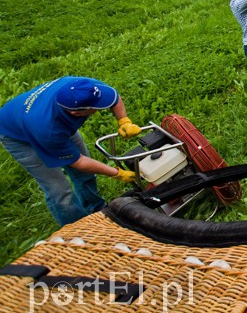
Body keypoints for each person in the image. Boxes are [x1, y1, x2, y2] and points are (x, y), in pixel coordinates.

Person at [0, 77, 141, 226]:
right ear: (76, 113)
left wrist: (124, 120)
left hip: (43, 119)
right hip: (18, 136)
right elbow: (78, 161)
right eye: (96, 107)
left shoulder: (80, 87)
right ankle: (79, 230)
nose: (102, 107)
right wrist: (117, 173)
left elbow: (113, 97)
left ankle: (96, 209)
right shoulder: (49, 130)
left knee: (86, 174)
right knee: (59, 190)